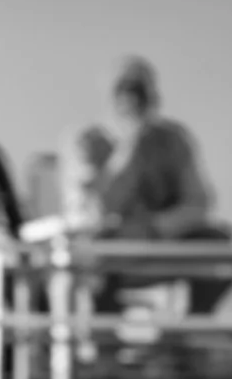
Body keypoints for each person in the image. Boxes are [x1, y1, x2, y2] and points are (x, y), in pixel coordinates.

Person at [96, 56, 224, 241]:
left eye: (139, 90)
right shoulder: (86, 141)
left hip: (165, 244)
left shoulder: (173, 139)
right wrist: (132, 140)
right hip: (108, 248)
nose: (132, 99)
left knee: (218, 238)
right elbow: (99, 208)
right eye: (124, 88)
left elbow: (198, 204)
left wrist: (153, 227)